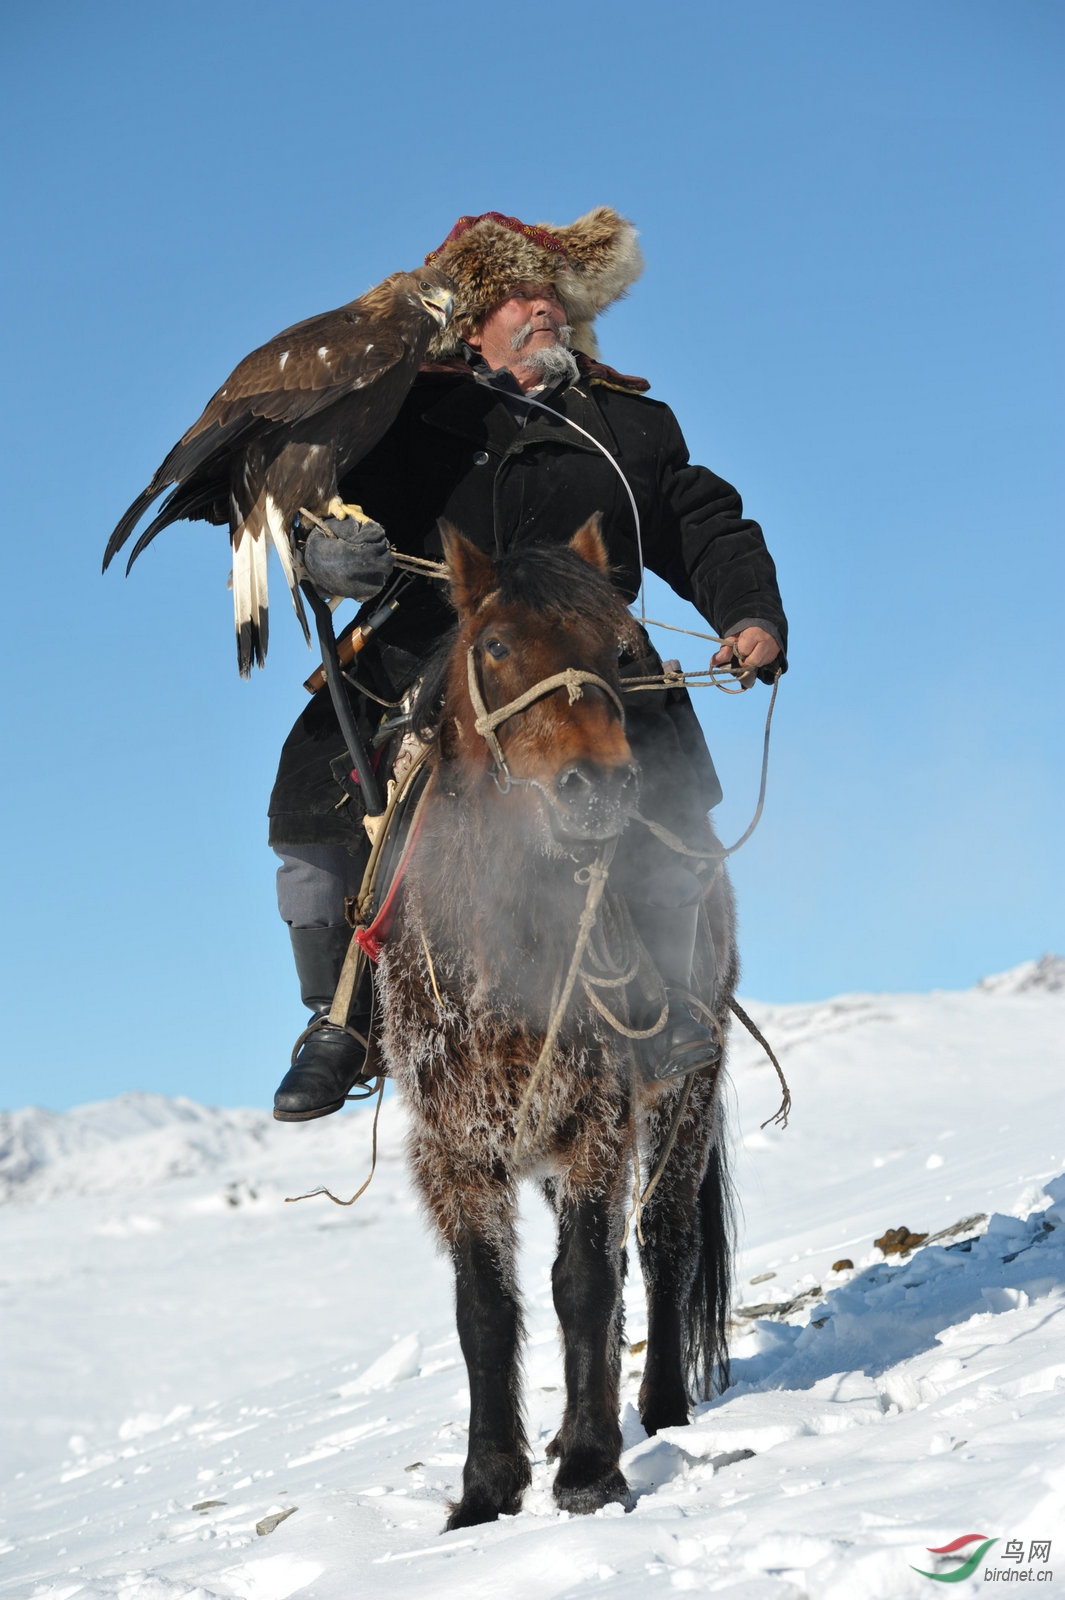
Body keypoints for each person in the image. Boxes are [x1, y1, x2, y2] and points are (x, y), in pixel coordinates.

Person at [269, 208, 787, 1121]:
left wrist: (748, 612)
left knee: (664, 791)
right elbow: (320, 504)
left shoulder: (631, 425)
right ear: (470, 323)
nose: (540, 307)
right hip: (435, 647)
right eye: (514, 296)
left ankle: (665, 996)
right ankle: (340, 1018)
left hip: (596, 655)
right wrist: (327, 550)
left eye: (549, 293)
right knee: (315, 787)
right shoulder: (405, 417)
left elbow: (703, 524)